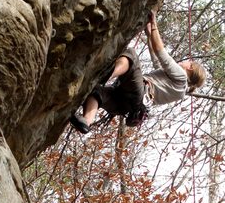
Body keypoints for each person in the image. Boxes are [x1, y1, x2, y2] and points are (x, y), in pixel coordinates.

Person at [70, 10, 206, 134]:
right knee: (97, 92)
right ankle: (86, 121)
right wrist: (149, 34)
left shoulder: (182, 77)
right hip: (129, 107)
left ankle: (106, 75)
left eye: (189, 62)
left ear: (191, 68)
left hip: (139, 94)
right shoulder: (179, 90)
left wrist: (154, 25)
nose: (186, 61)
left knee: (132, 56)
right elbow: (157, 60)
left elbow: (161, 52)